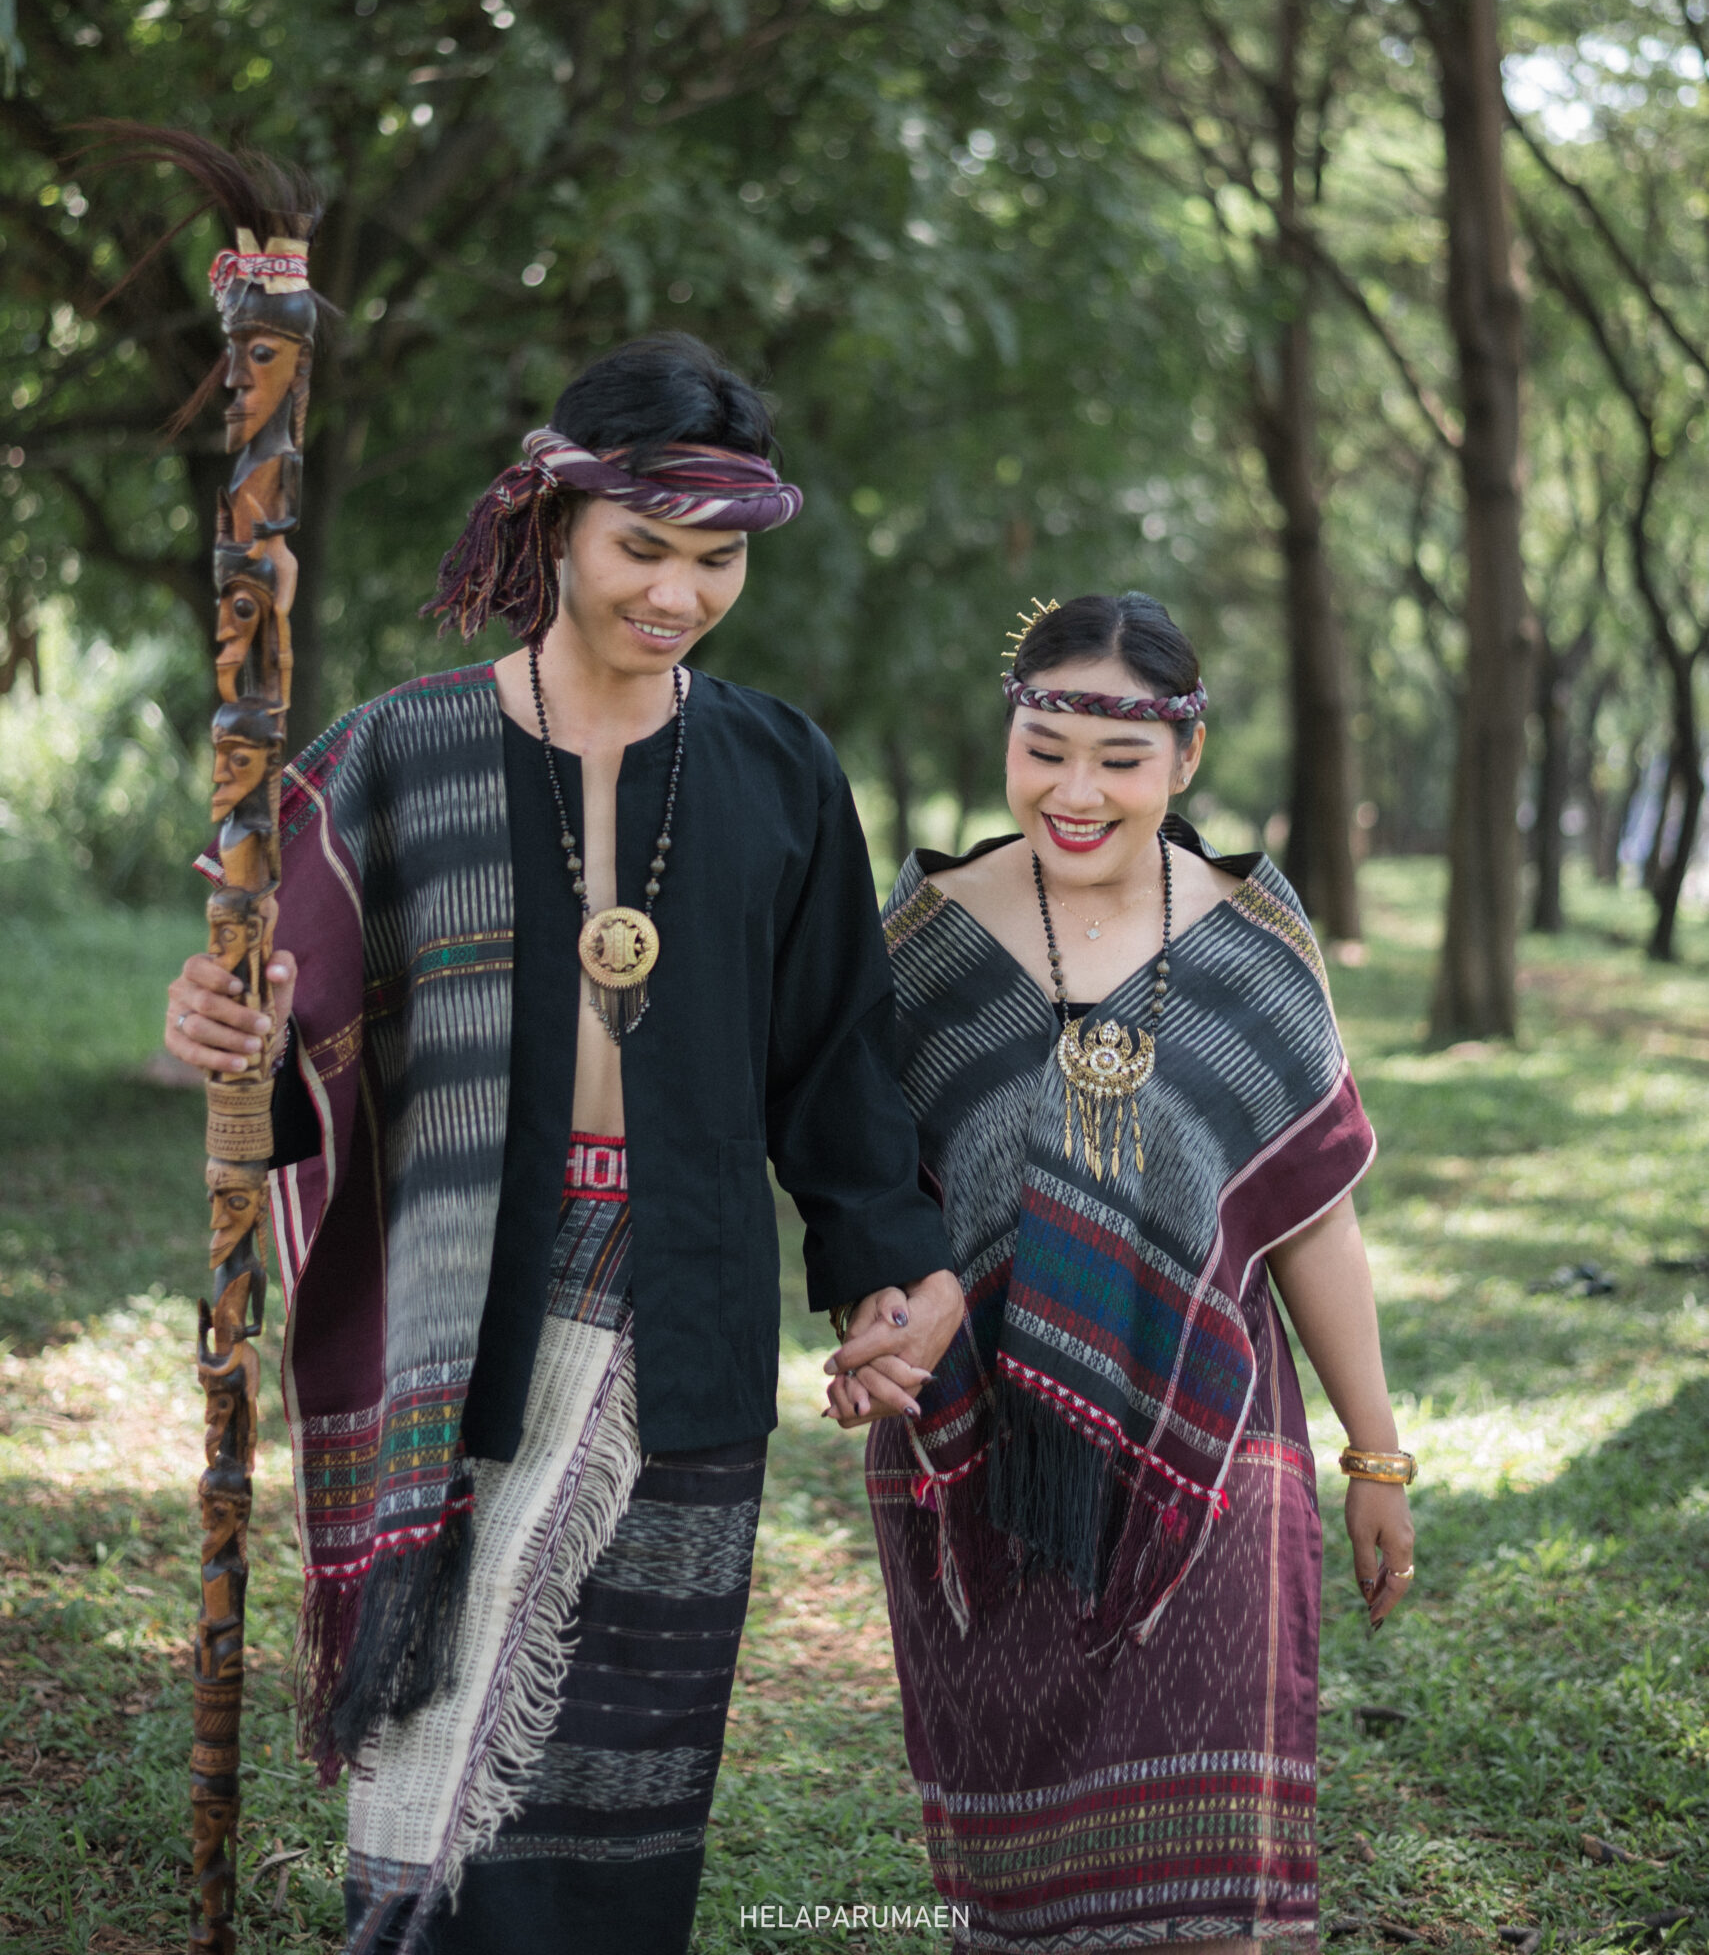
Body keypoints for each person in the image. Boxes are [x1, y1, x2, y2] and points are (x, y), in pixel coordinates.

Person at [165, 330, 963, 1955]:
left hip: (688, 1308)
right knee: (438, 1725)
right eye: (643, 547)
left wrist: (886, 1267)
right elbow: (282, 1026)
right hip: (457, 1308)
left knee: (623, 1775)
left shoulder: (779, 768)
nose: (678, 592)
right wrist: (225, 1032)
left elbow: (835, 1064)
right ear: (551, 523)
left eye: (717, 559)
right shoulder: (397, 752)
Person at [838, 591, 1413, 1954]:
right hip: (982, 1459)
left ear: (1186, 757)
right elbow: (865, 1194)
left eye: (1120, 759)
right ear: (1008, 738)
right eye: (1044, 751)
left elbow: (1312, 1223)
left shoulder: (1255, 947)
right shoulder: (915, 946)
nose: (1076, 792)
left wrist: (1376, 1455)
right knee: (1019, 1885)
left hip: (1210, 1454)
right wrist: (875, 1310)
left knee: (1209, 1884)